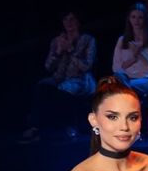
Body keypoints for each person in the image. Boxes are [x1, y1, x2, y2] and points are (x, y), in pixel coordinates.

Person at [22, 11, 97, 143]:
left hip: (80, 79)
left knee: (65, 89)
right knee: (41, 86)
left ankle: (70, 127)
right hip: (59, 78)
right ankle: (35, 128)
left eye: (72, 19)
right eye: (66, 20)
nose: (69, 23)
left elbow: (86, 66)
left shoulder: (88, 40)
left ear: (78, 21)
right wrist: (58, 52)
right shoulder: (57, 41)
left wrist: (71, 50)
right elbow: (48, 67)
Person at [112, 7, 148, 98]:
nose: (136, 21)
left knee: (119, 89)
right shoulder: (122, 40)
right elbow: (116, 67)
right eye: (133, 17)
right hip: (125, 78)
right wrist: (133, 59)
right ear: (129, 19)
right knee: (117, 76)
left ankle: (123, 90)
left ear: (145, 19)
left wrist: (140, 54)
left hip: (146, 80)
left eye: (140, 17)